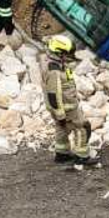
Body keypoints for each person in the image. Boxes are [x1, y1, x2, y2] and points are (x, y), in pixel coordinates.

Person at [43, 34, 95, 165]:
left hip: (64, 106)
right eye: (66, 54)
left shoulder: (56, 64)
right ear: (59, 53)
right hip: (66, 108)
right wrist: (60, 115)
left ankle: (62, 153)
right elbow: (53, 95)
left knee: (62, 129)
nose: (69, 57)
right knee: (82, 128)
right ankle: (82, 156)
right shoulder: (53, 71)